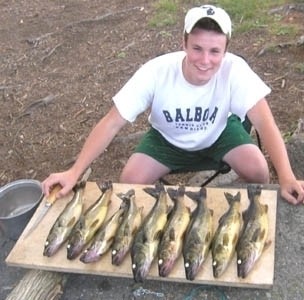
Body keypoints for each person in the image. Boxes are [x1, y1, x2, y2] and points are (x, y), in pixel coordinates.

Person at [42, 4, 304, 205]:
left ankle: (240, 211)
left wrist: (286, 176)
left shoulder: (236, 70)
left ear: (226, 51)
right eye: (197, 48)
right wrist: (74, 172)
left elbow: (265, 123)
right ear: (184, 43)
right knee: (129, 182)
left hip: (220, 133)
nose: (205, 59)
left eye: (215, 51)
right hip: (167, 139)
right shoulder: (156, 72)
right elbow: (111, 123)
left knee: (259, 170)